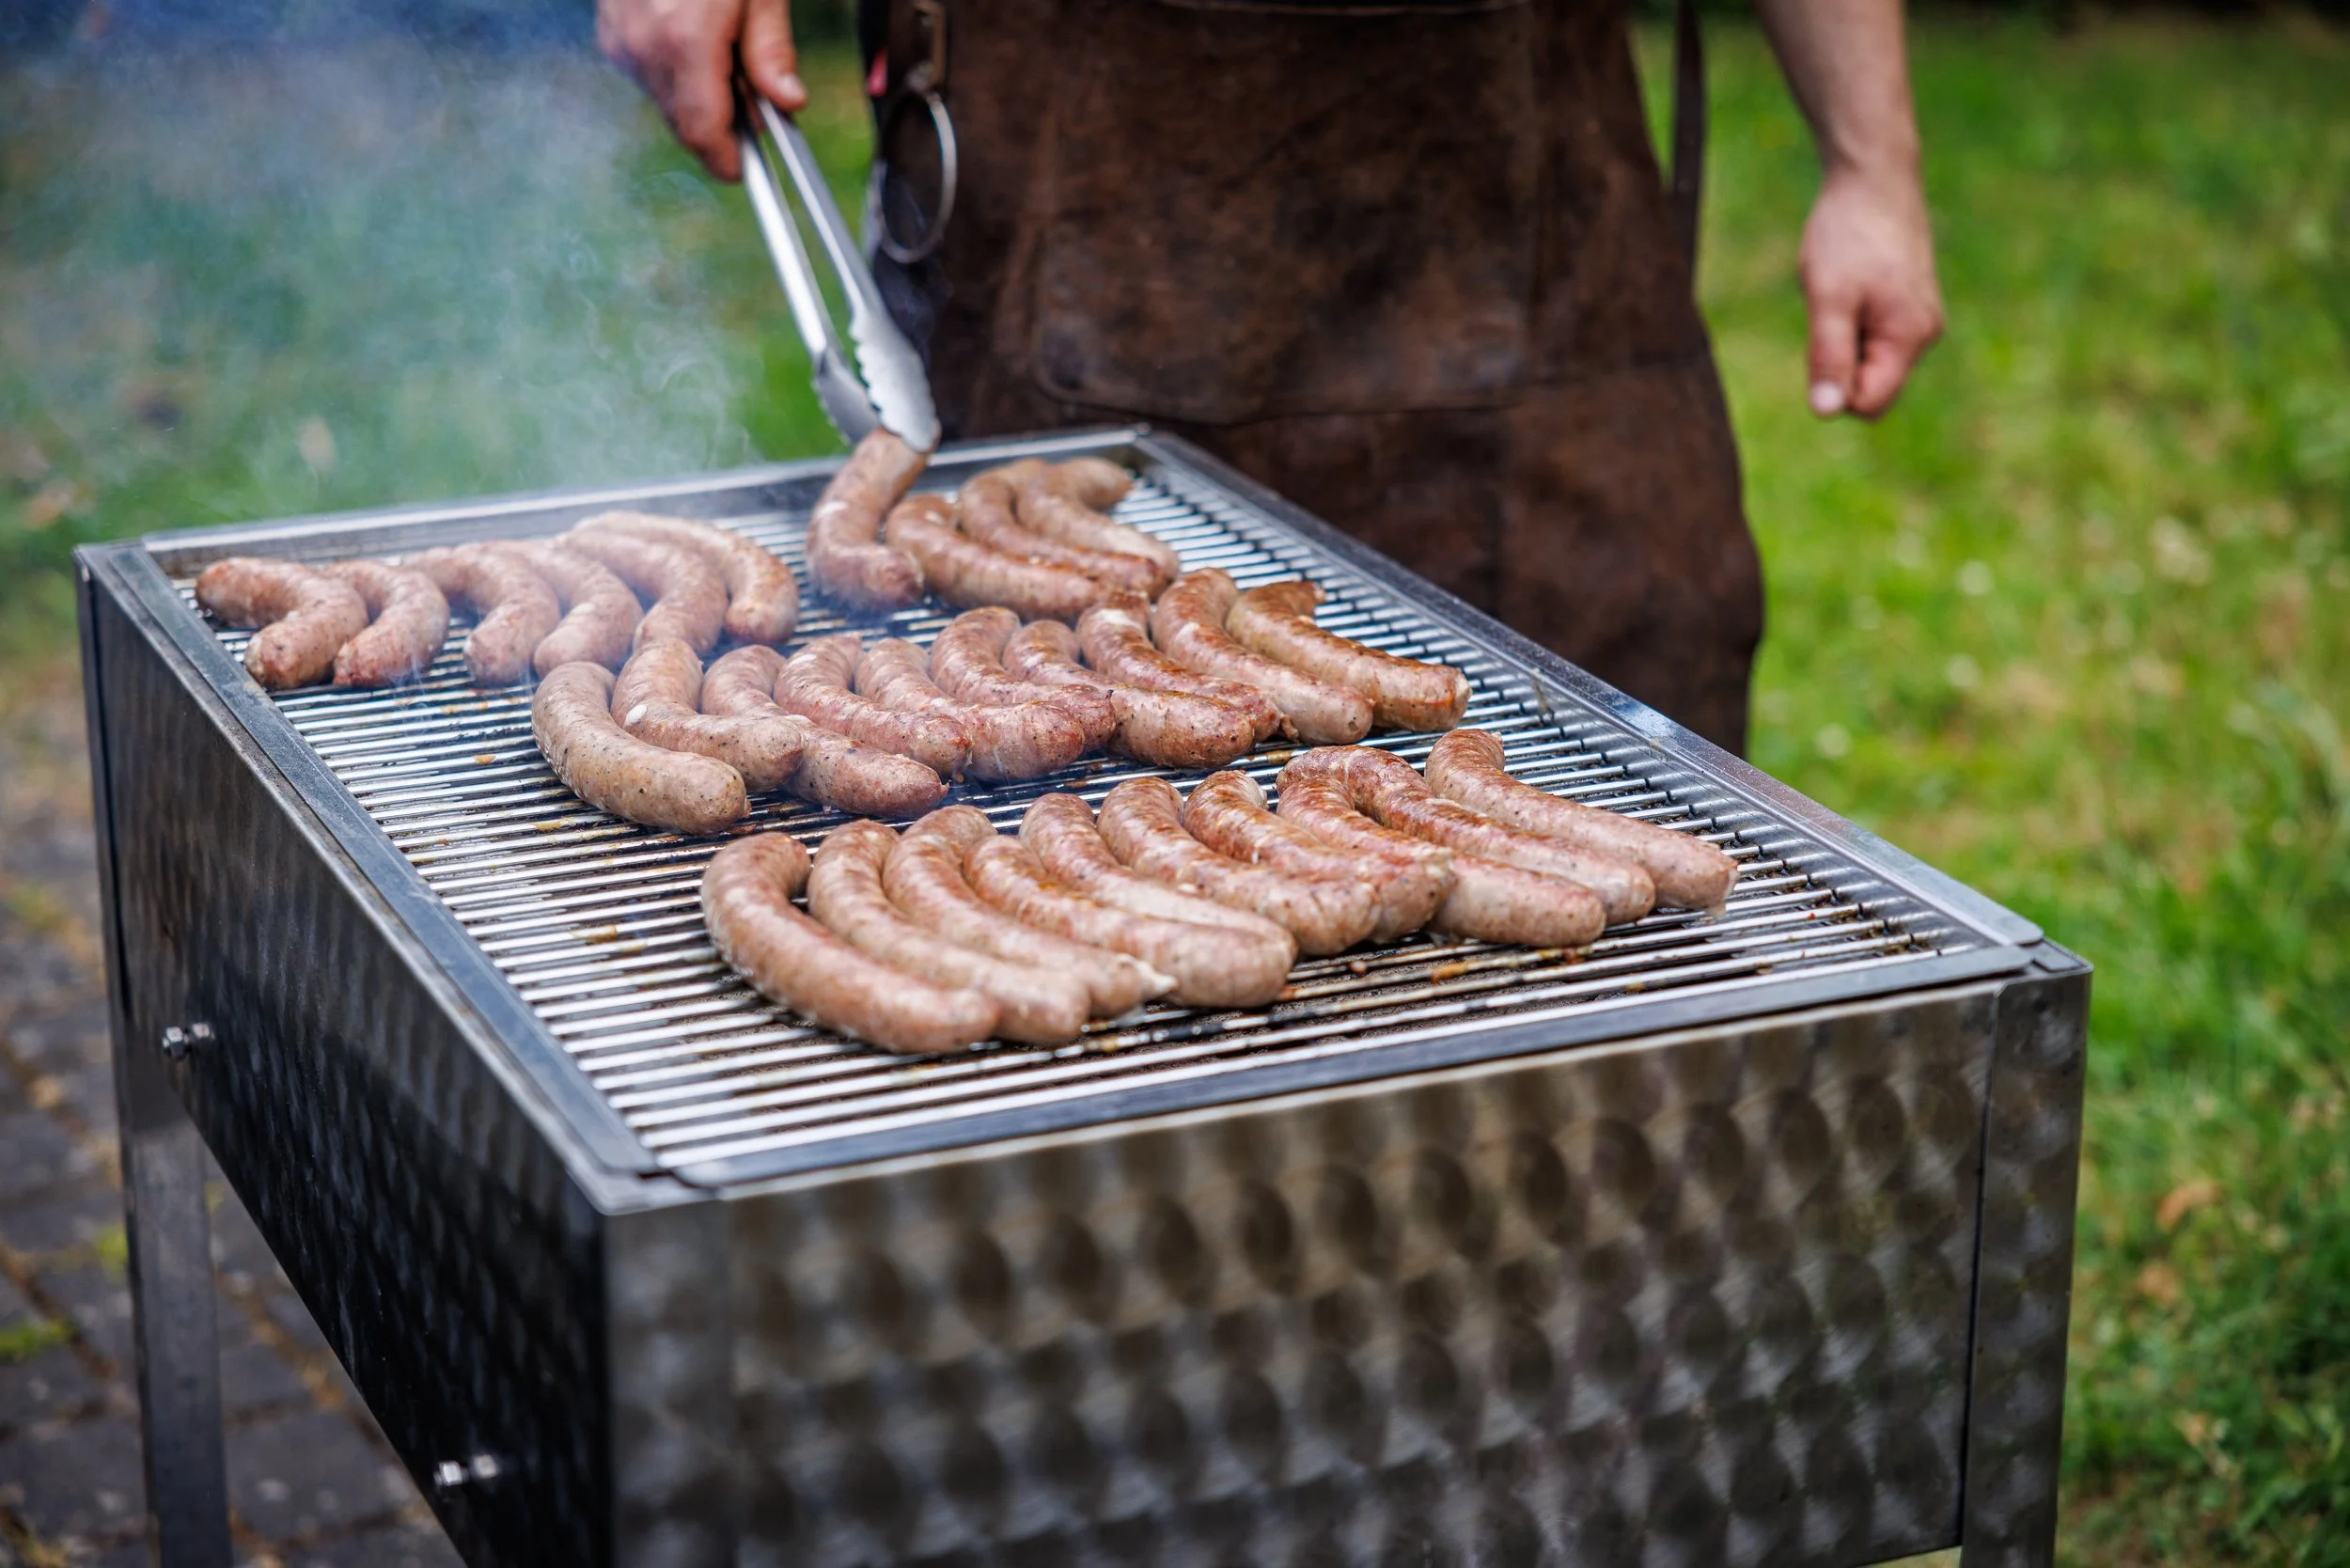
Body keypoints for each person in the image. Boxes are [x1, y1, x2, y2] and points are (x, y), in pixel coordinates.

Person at [598, 0, 1943, 753]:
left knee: (1621, 803)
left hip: (1543, 255)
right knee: (1009, 752)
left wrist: (1872, 164)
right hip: (1052, 197)